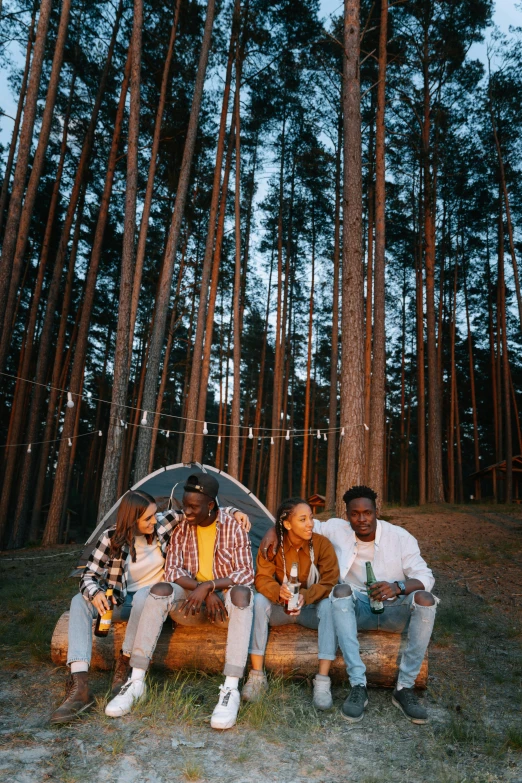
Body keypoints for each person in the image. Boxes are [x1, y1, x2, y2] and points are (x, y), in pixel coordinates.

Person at [51, 488, 250, 724]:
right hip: (120, 600)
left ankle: (126, 666)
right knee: (78, 601)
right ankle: (80, 684)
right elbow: (88, 575)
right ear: (131, 520)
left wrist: (235, 511)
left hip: (153, 599)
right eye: (147, 518)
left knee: (145, 596)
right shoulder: (110, 538)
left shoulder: (164, 523)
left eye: (155, 514)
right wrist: (95, 593)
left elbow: (204, 509)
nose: (153, 520)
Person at [259, 485, 438, 724]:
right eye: (355, 514)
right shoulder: (337, 529)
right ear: (347, 515)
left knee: (425, 599)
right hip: (356, 607)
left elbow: (426, 576)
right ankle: (358, 684)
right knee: (340, 591)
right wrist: (274, 529)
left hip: (393, 605)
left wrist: (398, 587)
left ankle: (405, 687)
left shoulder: (400, 537)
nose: (362, 519)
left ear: (377, 512)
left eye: (368, 513)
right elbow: (298, 523)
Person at [104, 472, 254, 730]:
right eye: (185, 505)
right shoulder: (183, 526)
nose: (187, 512)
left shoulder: (233, 526)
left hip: (224, 600)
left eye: (194, 507)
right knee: (160, 588)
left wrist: (210, 587)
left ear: (210, 505)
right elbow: (173, 570)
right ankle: (136, 680)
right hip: (190, 600)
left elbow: (245, 573)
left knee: (242, 593)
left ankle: (231, 689)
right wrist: (201, 589)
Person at [242, 497, 339, 710]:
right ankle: (257, 676)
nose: (310, 524)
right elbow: (262, 579)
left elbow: (330, 581)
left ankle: (322, 681)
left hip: (309, 609)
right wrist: (279, 592)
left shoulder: (322, 544)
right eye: (303, 519)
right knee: (258, 600)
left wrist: (307, 594)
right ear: (287, 524)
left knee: (329, 606)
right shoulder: (272, 545)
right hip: (281, 607)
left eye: (311, 518)